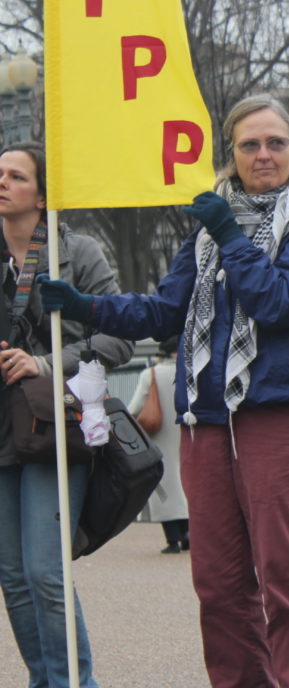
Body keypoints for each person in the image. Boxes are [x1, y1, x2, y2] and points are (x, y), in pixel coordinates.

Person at [40, 94, 289, 688]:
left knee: (284, 578)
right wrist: (88, 306)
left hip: (276, 419)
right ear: (230, 157)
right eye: (250, 145)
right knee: (218, 586)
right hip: (205, 422)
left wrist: (230, 233)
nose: (264, 155)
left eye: (276, 143)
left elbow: (280, 302)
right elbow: (163, 312)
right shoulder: (207, 237)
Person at [0, 141, 133, 688]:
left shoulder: (77, 252)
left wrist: (46, 362)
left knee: (45, 571)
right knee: (12, 575)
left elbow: (120, 336)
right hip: (3, 428)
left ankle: (75, 684)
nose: (2, 182)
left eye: (15, 175)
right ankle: (46, 680)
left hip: (58, 423)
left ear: (44, 193)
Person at [127, 335, 189, 554]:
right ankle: (189, 534)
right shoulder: (189, 371)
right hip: (187, 431)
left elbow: (134, 408)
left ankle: (173, 539)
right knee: (187, 483)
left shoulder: (151, 373)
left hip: (159, 433)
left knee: (166, 485)